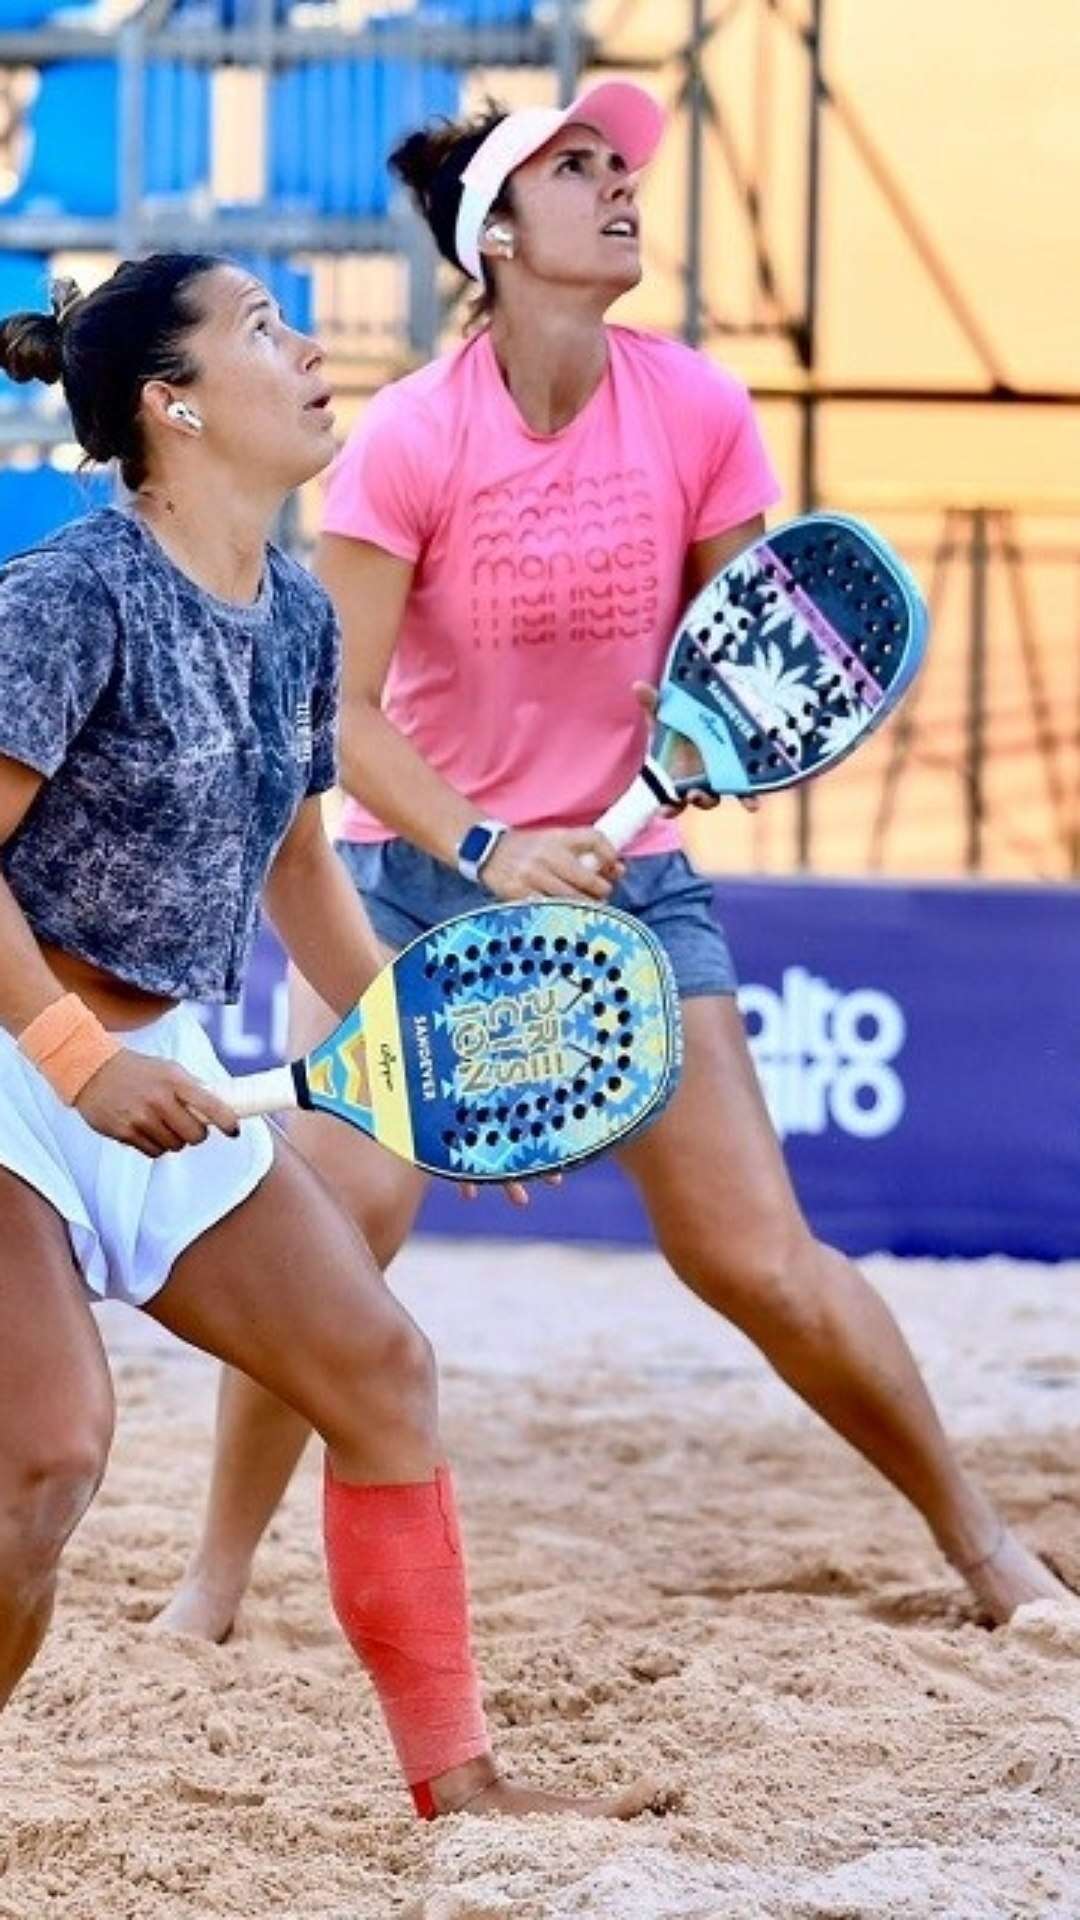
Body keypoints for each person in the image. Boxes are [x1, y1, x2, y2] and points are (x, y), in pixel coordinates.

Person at [158, 85, 1072, 1645]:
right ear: (497, 238)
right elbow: (337, 719)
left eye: (618, 162)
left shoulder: (699, 410)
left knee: (760, 1262)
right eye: (576, 168)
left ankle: (991, 1554)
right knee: (332, 1230)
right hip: (416, 884)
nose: (621, 182)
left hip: (627, 879)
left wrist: (711, 751)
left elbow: (763, 650)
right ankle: (212, 1590)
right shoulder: (413, 444)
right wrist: (492, 844)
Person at [0, 251, 661, 1823]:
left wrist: (440, 1074)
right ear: (173, 407)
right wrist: (79, 1062)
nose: (306, 351)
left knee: (379, 1372)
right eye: (259, 332)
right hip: (23, 1056)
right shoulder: (65, 598)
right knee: (44, 1460)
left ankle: (464, 1793)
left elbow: (301, 870)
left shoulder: (293, 609)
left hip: (157, 1077)